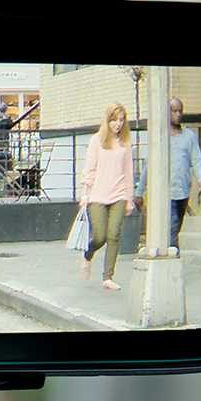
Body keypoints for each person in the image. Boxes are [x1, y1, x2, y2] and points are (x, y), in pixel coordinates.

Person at [79, 102, 139, 291]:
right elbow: (90, 169)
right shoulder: (96, 141)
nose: (118, 124)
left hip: (119, 194)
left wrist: (129, 199)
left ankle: (108, 277)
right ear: (107, 120)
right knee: (100, 236)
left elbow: (128, 172)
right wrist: (85, 194)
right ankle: (88, 255)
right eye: (114, 120)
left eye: (121, 120)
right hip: (97, 195)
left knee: (114, 234)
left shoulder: (125, 142)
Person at [136, 95, 201, 251]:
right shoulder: (159, 137)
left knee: (176, 225)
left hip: (182, 191)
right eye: (174, 111)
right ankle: (172, 256)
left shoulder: (189, 136)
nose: (178, 114)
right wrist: (139, 192)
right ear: (167, 113)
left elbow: (197, 159)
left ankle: (171, 252)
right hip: (165, 192)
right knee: (172, 228)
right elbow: (149, 165)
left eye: (180, 111)